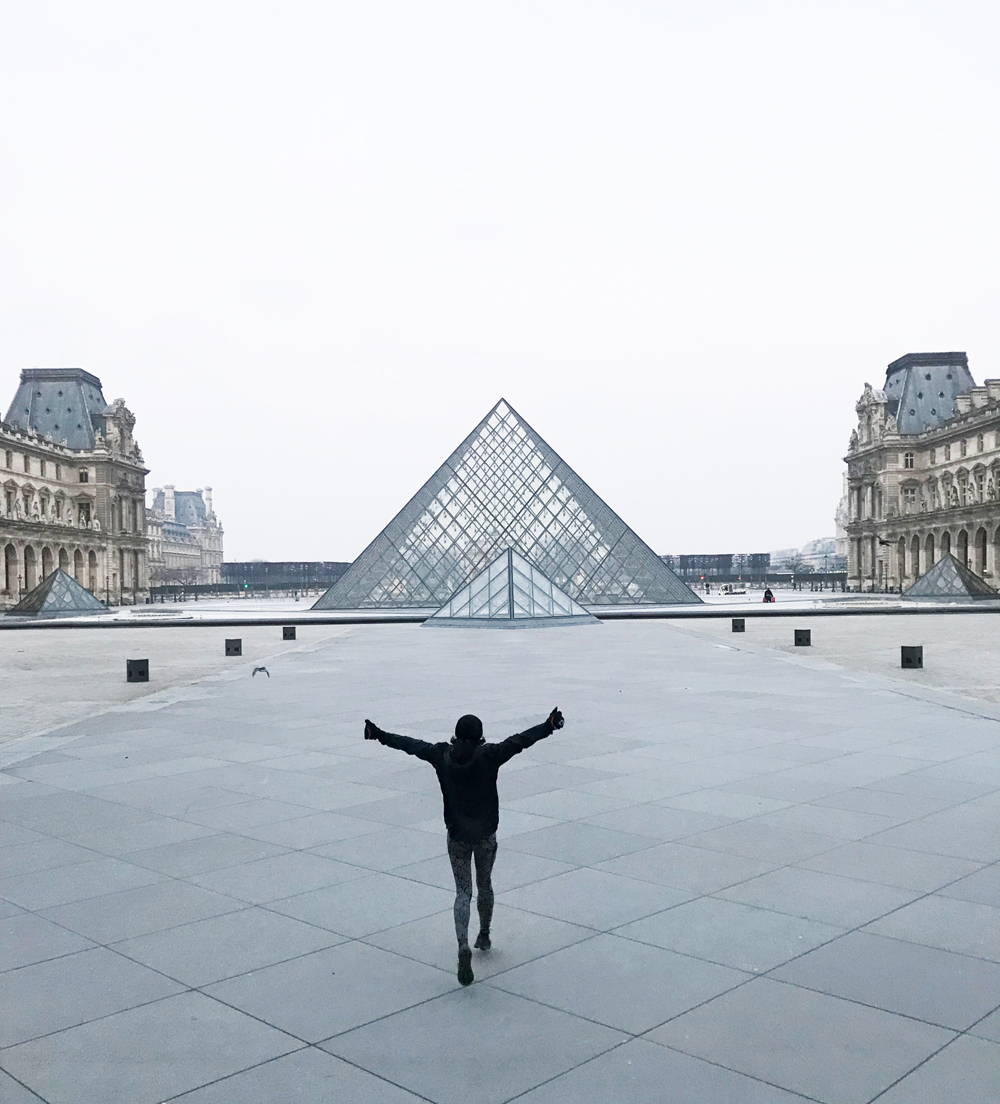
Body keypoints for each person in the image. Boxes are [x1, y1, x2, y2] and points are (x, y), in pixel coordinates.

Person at [363, 708, 565, 985]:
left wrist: (379, 735)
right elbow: (519, 741)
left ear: (456, 735)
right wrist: (548, 726)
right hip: (485, 836)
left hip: (457, 836)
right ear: (480, 736)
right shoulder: (489, 755)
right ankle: (483, 934)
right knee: (485, 884)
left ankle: (462, 944)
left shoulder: (440, 755)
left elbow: (409, 745)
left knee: (462, 892)